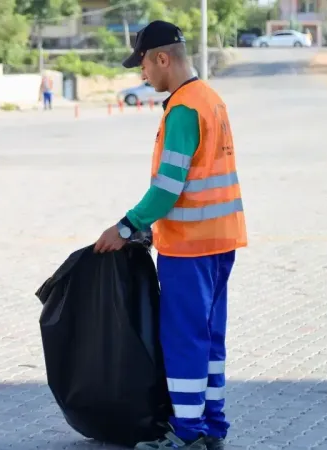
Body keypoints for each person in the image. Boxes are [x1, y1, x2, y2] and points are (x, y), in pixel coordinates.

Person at [93, 20, 247, 450]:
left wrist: (126, 227)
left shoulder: (182, 109)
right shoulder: (210, 99)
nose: (142, 73)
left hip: (189, 246)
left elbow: (167, 188)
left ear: (162, 59)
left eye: (142, 64)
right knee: (209, 338)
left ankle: (186, 434)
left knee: (183, 339)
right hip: (221, 240)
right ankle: (212, 426)